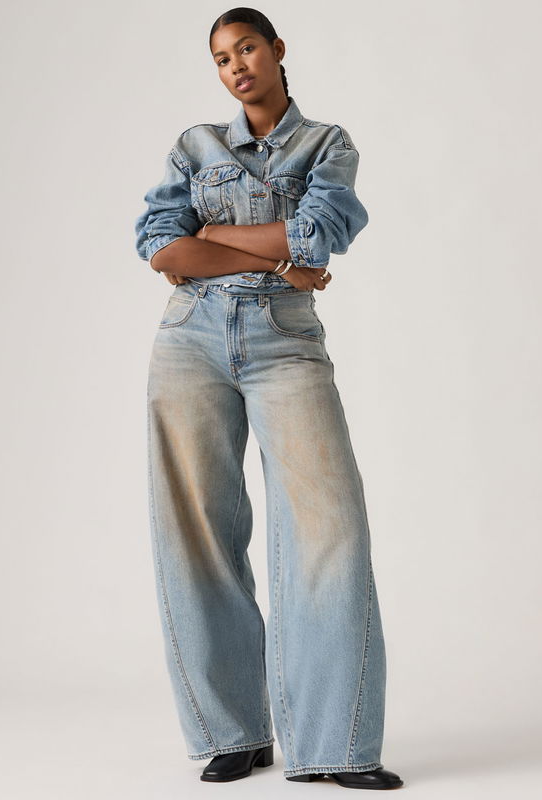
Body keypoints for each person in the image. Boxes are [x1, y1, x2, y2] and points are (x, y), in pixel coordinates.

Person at [134, 7, 403, 791]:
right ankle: (233, 733)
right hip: (189, 340)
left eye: (246, 48)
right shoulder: (195, 146)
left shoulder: (326, 144)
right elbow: (158, 243)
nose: (236, 66)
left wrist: (219, 241)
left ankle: (335, 745)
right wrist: (279, 253)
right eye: (222, 58)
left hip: (285, 340)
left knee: (328, 526)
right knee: (196, 529)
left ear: (277, 49)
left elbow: (318, 232)